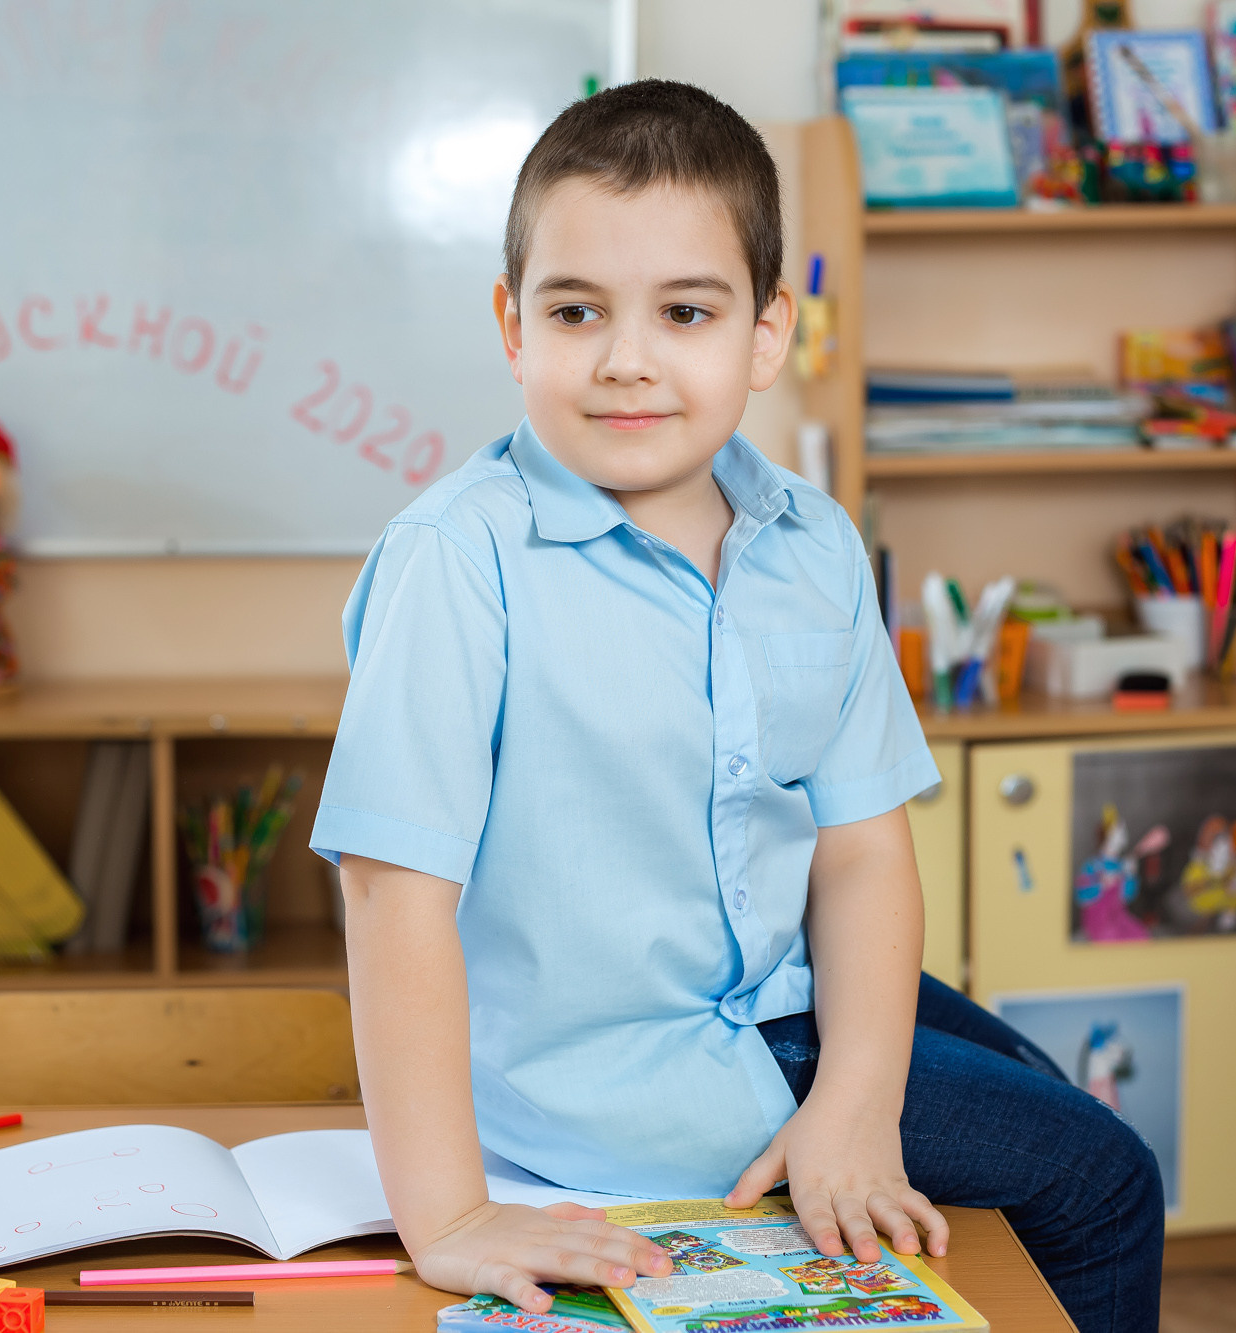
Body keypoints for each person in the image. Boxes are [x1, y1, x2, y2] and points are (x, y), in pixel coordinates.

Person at [310, 80, 1165, 1333]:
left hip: (779, 980)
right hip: (633, 1073)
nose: (625, 358)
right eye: (574, 310)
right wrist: (446, 1214)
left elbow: (864, 848)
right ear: (511, 326)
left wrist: (860, 1102)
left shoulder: (811, 541)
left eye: (685, 311)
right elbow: (392, 893)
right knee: (1101, 1179)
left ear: (766, 334)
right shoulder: (456, 557)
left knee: (1032, 1086)